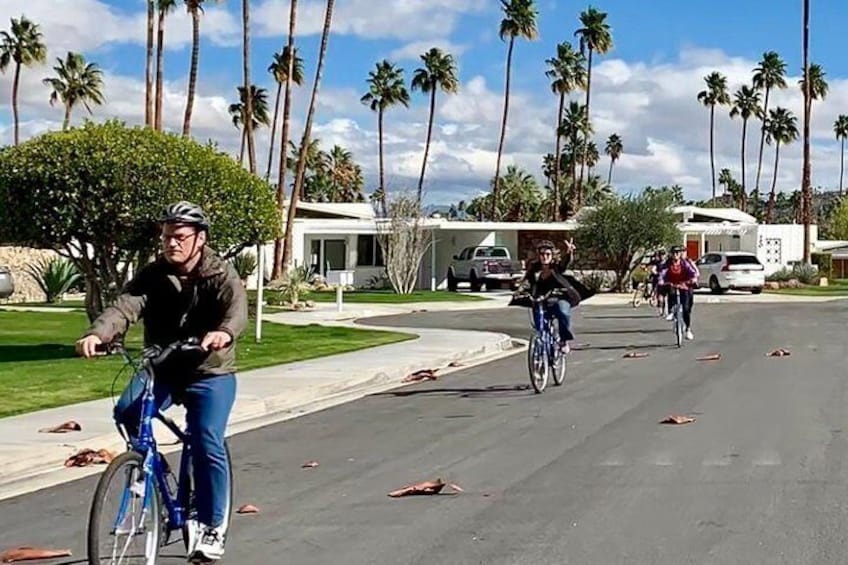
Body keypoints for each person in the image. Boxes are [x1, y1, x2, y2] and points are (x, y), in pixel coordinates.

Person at [76, 201, 247, 562]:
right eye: (167, 236)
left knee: (206, 438)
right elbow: (124, 307)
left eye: (180, 237)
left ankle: (213, 526)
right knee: (126, 410)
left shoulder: (220, 274)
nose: (171, 243)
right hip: (163, 367)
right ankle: (148, 463)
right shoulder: (153, 275)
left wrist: (223, 333)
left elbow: (236, 312)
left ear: (199, 239)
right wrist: (98, 333)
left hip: (209, 371)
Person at [517, 239, 583, 354]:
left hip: (558, 296)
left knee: (563, 312)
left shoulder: (556, 267)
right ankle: (541, 348)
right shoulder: (534, 268)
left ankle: (563, 340)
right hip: (540, 299)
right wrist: (520, 290)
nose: (545, 257)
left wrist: (569, 253)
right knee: (540, 326)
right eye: (542, 254)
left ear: (552, 255)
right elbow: (527, 280)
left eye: (547, 254)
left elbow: (565, 263)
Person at [658, 245, 698, 340]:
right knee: (670, 292)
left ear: (680, 254)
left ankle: (688, 329)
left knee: (686, 309)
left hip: (684, 285)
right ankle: (672, 312)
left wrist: (693, 279)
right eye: (674, 253)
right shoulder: (667, 264)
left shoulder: (685, 263)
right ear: (671, 254)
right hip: (672, 284)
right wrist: (661, 281)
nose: (676, 255)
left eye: (678, 253)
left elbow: (692, 272)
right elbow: (662, 274)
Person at [649, 249, 667, 316]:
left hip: (666, 282)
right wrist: (656, 273)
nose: (662, 256)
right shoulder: (657, 263)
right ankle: (660, 309)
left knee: (665, 297)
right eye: (661, 255)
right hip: (658, 281)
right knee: (660, 296)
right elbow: (653, 269)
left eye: (663, 255)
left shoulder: (667, 263)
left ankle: (664, 310)